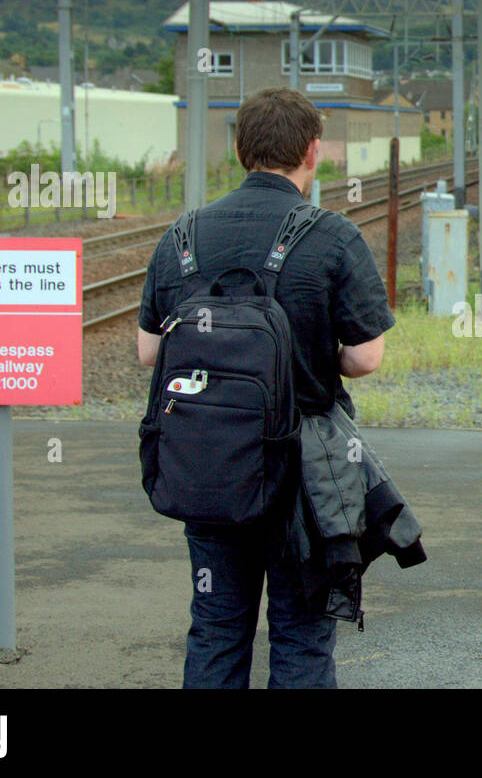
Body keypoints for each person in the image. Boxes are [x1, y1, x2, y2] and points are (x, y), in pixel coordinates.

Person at [136, 87, 423, 689]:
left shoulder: (182, 237)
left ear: (239, 148)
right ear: (312, 152)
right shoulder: (332, 236)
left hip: (211, 463)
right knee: (300, 629)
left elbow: (148, 351)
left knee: (215, 625)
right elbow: (366, 357)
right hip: (304, 473)